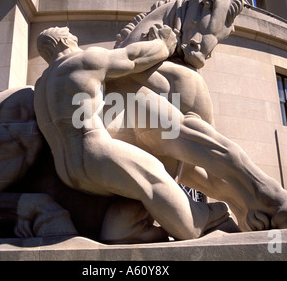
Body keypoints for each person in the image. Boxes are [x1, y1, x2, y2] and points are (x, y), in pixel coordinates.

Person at [34, 26, 231, 242]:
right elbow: (132, 59)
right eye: (71, 36)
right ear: (63, 42)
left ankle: (122, 230)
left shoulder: (42, 85)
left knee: (135, 188)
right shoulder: (82, 61)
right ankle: (194, 222)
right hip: (94, 150)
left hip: (68, 169)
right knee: (153, 174)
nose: (75, 38)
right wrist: (162, 43)